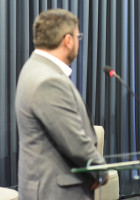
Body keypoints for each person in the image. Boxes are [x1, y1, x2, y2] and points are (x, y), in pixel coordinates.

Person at [15, 9, 107, 200]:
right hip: (56, 192)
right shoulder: (48, 80)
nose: (78, 42)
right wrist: (100, 170)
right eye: (77, 36)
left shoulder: (34, 67)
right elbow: (74, 142)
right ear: (68, 40)